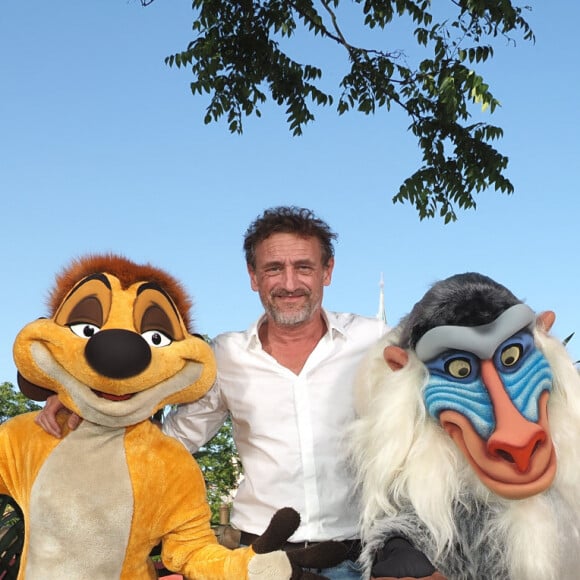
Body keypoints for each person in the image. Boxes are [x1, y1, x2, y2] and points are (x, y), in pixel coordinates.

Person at [35, 206, 388, 580]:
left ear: (326, 272)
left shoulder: (375, 339)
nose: (289, 283)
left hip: (360, 558)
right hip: (260, 559)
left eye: (303, 267)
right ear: (253, 277)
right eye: (273, 269)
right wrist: (88, 403)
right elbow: (172, 440)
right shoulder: (225, 355)